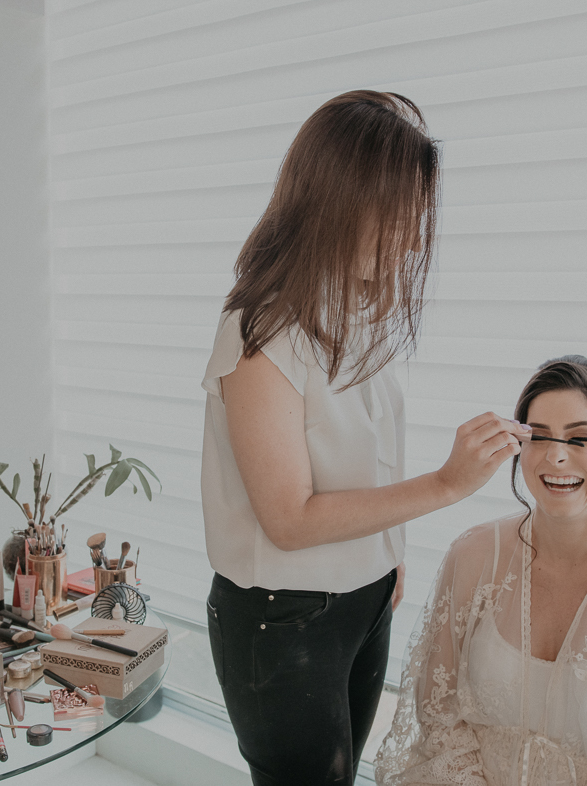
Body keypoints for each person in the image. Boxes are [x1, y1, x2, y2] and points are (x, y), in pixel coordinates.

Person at [201, 90, 533, 786]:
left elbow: (365, 460)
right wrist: (446, 485)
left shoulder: (361, 313)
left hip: (367, 597)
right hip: (282, 619)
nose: (414, 240)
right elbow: (288, 521)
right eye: (400, 218)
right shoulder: (260, 334)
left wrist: (387, 555)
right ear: (340, 202)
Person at [374, 356, 587, 786]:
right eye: (539, 437)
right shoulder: (473, 556)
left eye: (579, 440)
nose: (556, 457)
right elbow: (438, 718)